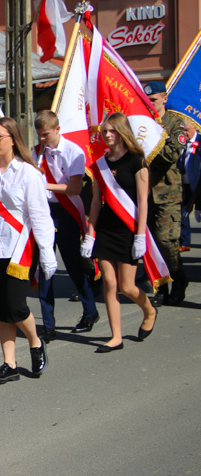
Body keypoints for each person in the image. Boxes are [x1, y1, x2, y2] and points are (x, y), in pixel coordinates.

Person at [0, 117, 56, 384]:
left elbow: (40, 215)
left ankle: (35, 341)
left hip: (20, 249)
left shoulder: (29, 174)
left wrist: (47, 251)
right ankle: (9, 364)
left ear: (13, 139)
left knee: (16, 306)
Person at [81, 113, 158, 352]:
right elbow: (95, 202)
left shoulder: (137, 161)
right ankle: (116, 336)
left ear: (123, 132)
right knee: (109, 284)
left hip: (128, 228)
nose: (108, 135)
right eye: (105, 131)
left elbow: (143, 201)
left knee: (127, 286)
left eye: (112, 131)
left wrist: (140, 235)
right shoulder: (100, 165)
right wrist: (90, 234)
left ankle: (149, 310)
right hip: (105, 228)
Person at [32, 110, 99, 343]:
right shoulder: (36, 153)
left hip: (67, 212)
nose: (42, 139)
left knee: (72, 265)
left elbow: (74, 188)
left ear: (57, 129)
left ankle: (90, 311)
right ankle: (48, 325)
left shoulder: (73, 151)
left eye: (46, 134)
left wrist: (45, 184)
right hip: (44, 212)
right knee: (45, 267)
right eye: (39, 135)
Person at [143, 81, 189, 306]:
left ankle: (179, 279)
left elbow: (172, 154)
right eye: (147, 101)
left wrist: (150, 142)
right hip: (143, 193)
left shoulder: (175, 124)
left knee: (166, 241)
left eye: (153, 100)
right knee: (150, 243)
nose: (150, 104)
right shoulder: (142, 123)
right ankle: (160, 288)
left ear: (164, 98)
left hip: (167, 193)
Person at [178, 122, 200, 252]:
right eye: (183, 130)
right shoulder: (180, 141)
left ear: (194, 128)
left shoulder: (200, 141)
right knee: (183, 213)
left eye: (187, 130)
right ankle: (185, 242)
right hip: (185, 184)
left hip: (198, 185)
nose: (185, 133)